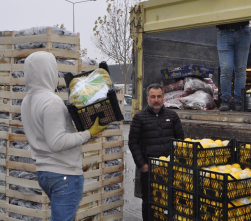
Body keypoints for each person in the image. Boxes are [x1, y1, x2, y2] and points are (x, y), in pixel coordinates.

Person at [21, 51, 107, 221]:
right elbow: (57, 142)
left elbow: (46, 135)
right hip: (64, 174)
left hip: (44, 172)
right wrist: (89, 133)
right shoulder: (51, 101)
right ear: (48, 70)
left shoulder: (27, 101)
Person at [189, 0, 251, 111]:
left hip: (243, 32)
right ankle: (225, 101)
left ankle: (238, 101)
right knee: (226, 68)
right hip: (224, 34)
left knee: (240, 69)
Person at [128, 83, 184, 221]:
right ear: (147, 99)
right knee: (149, 202)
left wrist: (177, 162)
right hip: (150, 168)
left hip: (170, 168)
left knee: (170, 200)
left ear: (163, 98)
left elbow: (181, 140)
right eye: (153, 97)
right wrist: (142, 165)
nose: (156, 100)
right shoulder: (139, 117)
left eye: (159, 96)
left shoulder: (173, 115)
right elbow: (133, 142)